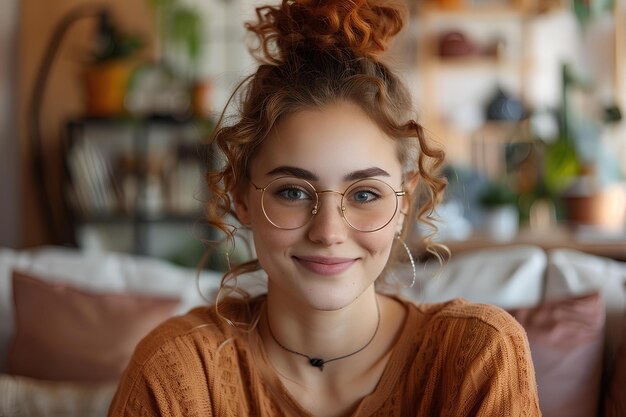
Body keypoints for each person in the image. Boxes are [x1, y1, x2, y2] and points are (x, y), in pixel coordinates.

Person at [108, 1, 540, 416]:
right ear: (242, 197)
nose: (328, 232)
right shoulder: (178, 371)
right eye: (293, 192)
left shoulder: (477, 355)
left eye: (365, 194)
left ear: (405, 200)